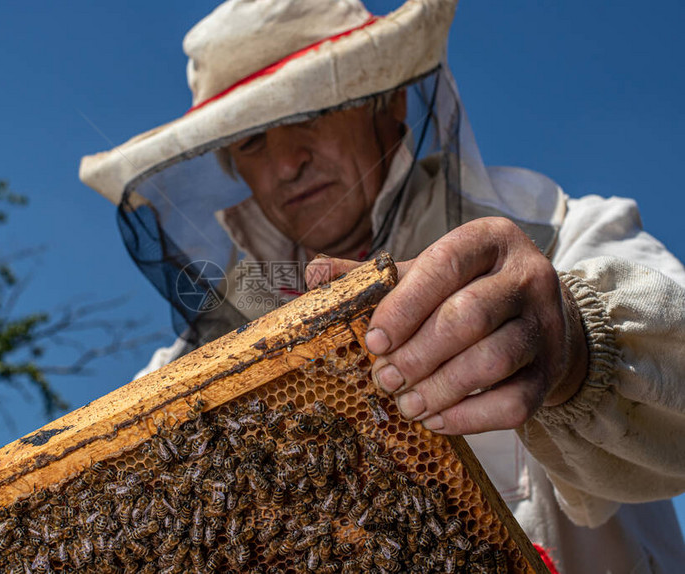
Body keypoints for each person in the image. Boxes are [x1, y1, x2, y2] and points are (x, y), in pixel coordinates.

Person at [80, 0, 685, 571]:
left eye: (310, 113)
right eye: (254, 142)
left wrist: (575, 345)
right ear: (234, 168)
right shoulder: (188, 365)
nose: (289, 162)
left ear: (389, 102)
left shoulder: (562, 228)